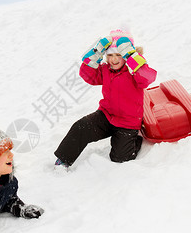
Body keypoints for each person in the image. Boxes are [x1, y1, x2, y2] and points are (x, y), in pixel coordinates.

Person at [54, 29, 157, 168]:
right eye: (110, 55)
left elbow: (147, 78)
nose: (114, 60)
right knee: (81, 127)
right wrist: (96, 53)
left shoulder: (134, 71)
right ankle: (63, 160)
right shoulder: (106, 69)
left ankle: (135, 140)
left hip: (128, 123)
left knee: (119, 158)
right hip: (107, 116)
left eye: (118, 55)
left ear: (126, 55)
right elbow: (88, 75)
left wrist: (133, 57)